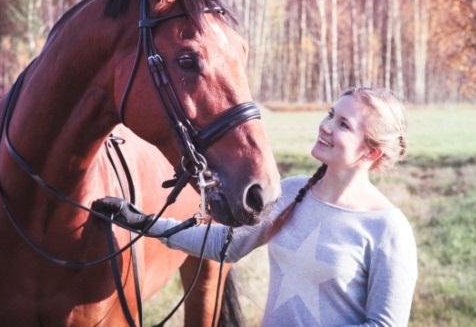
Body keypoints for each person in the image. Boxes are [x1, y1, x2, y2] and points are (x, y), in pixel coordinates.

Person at [100, 87, 417, 327]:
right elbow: (224, 245)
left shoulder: (388, 229)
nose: (326, 126)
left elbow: (384, 324)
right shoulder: (294, 192)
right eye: (330, 114)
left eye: (344, 124)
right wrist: (144, 223)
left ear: (371, 153)